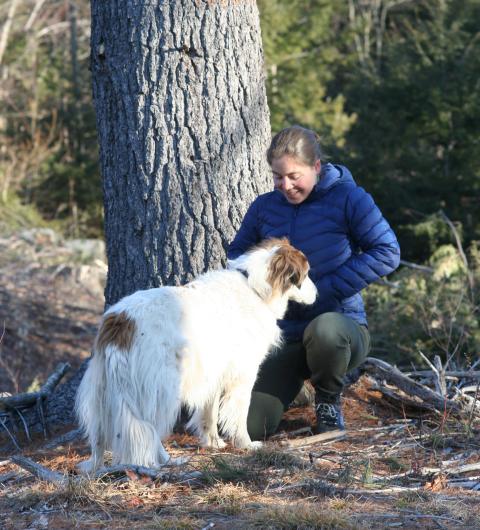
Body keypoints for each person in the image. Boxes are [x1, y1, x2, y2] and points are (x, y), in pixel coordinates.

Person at [227, 125, 400, 439]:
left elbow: (387, 252)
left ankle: (328, 400)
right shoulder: (264, 206)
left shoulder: (350, 198)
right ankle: (295, 389)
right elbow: (236, 255)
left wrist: (325, 289)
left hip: (340, 328)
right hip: (283, 337)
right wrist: (263, 279)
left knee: (325, 331)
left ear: (316, 167)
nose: (286, 186)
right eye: (278, 177)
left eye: (295, 176)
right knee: (251, 428)